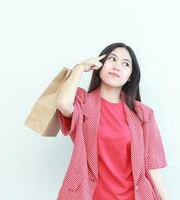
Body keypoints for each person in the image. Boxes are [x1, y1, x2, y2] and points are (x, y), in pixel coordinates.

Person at [56, 42, 169, 200]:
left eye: (125, 64)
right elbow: (62, 104)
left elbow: (152, 167)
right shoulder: (83, 103)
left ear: (130, 76)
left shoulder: (143, 114)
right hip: (90, 195)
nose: (117, 66)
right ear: (99, 65)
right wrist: (80, 68)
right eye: (112, 59)